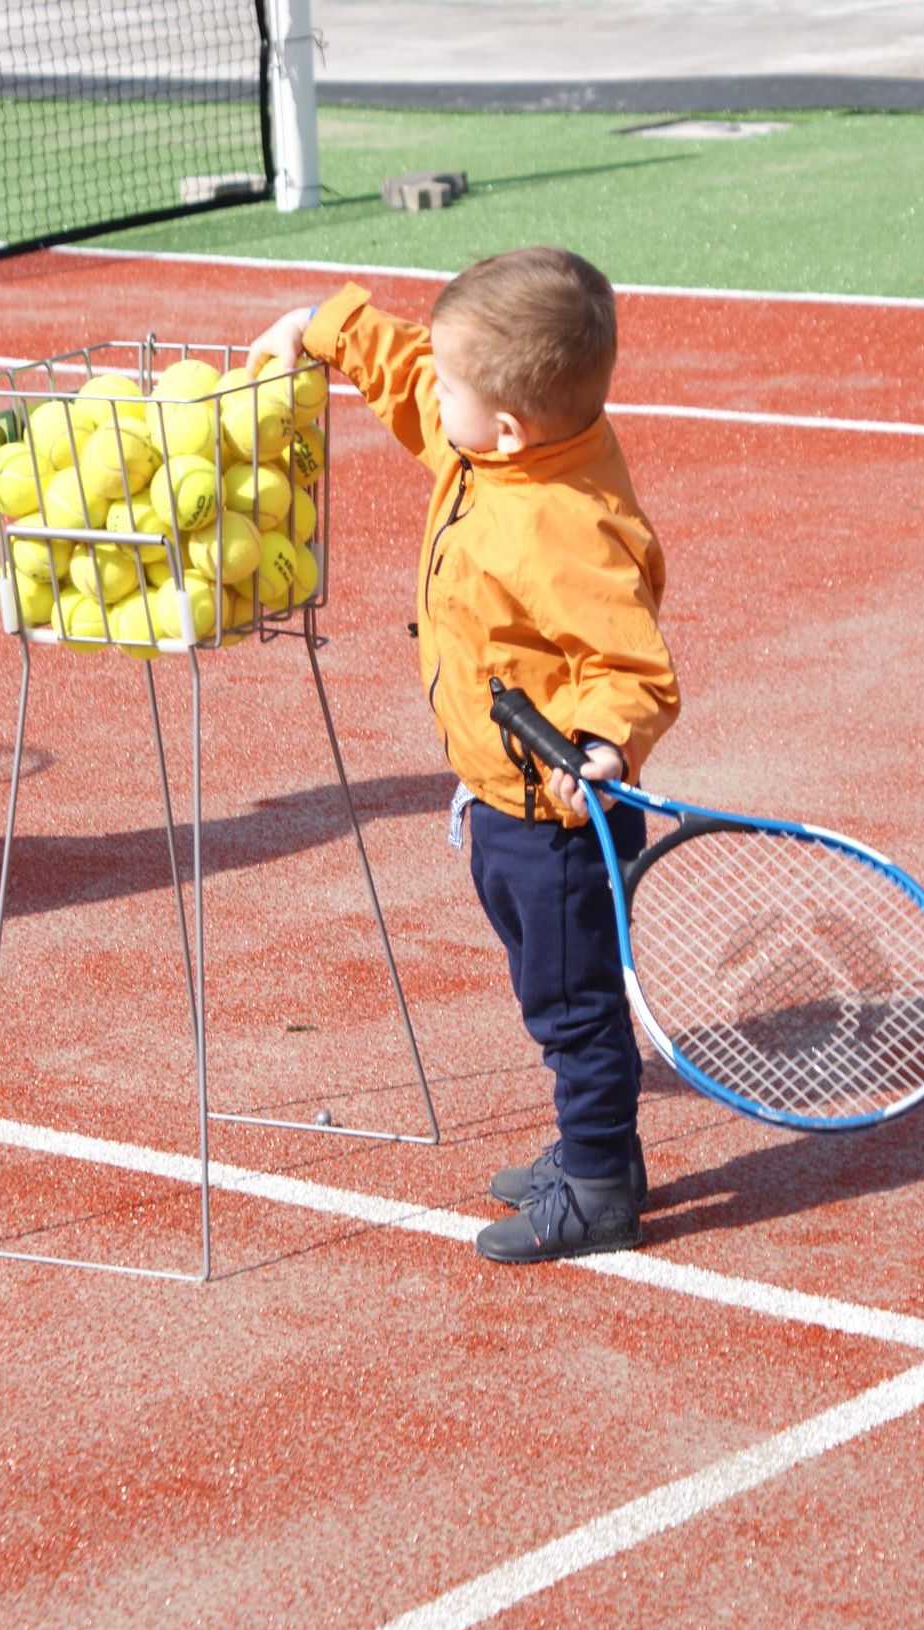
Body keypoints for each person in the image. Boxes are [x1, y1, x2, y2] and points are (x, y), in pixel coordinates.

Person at [247, 246, 679, 1263]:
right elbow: (405, 366)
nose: (430, 391)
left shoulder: (560, 524)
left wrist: (606, 742)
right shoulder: (495, 453)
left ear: (507, 425)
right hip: (500, 792)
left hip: (558, 819)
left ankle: (600, 1184)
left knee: (571, 1009)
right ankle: (594, 1149)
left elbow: (629, 660)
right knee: (553, 988)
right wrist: (320, 323)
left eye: (452, 386)